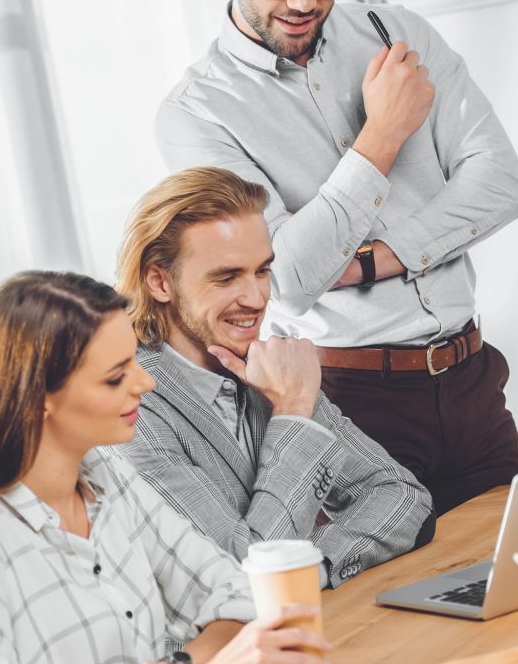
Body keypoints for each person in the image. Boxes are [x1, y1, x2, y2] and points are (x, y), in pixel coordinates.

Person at [155, 0, 518, 516]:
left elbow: (501, 185)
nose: (304, 1)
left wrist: (369, 261)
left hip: (472, 381)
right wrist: (381, 136)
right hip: (353, 407)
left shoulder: (396, 34)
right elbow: (289, 274)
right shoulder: (196, 116)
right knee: (396, 618)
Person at [0, 271, 330, 664]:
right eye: (116, 375)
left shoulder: (109, 477)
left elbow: (236, 591)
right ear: (39, 399)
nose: (146, 382)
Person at [114, 166, 434, 588]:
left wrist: (312, 568)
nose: (256, 298)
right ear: (159, 281)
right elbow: (239, 575)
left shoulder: (272, 369)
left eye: (262, 271)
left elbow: (404, 499)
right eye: (227, 277)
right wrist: (294, 412)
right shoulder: (129, 409)